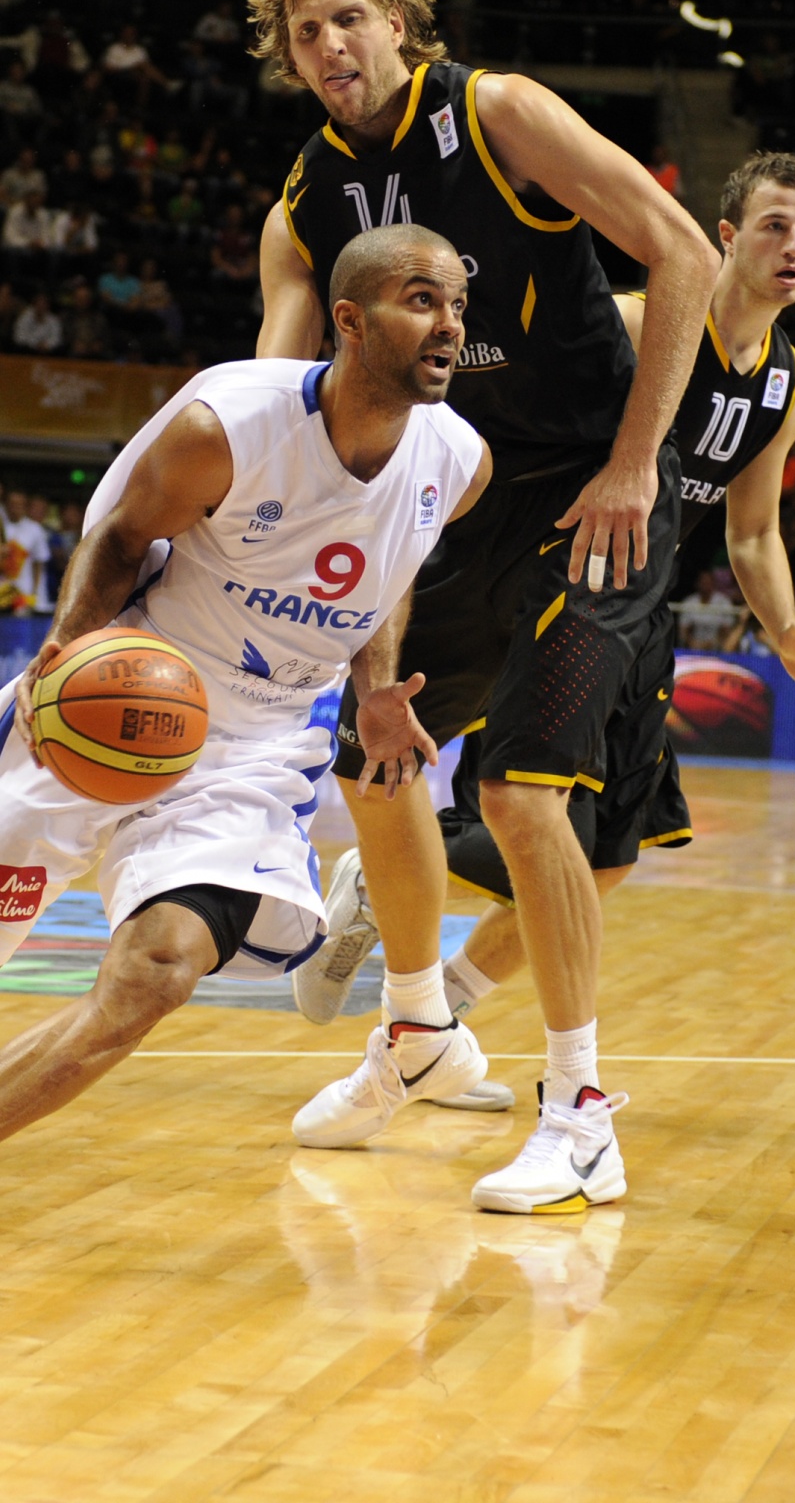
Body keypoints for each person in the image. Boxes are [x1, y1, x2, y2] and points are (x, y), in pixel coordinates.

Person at [251, 0, 719, 1212]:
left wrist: (636, 461)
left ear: (398, 22)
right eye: (306, 32)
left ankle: (578, 1115)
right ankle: (416, 1026)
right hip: (454, 498)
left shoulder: (498, 112)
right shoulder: (309, 200)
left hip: (596, 492)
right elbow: (282, 393)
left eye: (350, 16)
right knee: (374, 749)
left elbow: (684, 249)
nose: (332, 42)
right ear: (290, 60)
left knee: (530, 802)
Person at [0, 224, 491, 1146]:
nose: (450, 324)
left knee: (156, 974)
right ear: (349, 319)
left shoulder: (459, 463)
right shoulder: (227, 425)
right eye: (422, 300)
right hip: (126, 687)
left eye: (458, 304)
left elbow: (388, 571)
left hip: (253, 748)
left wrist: (375, 687)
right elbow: (119, 537)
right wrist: (67, 648)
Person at [329, 152, 795, 1030]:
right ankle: (392, 889)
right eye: (774, 226)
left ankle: (432, 1014)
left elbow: (751, 532)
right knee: (512, 802)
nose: (794, 247)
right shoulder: (637, 324)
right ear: (723, 239)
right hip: (546, 584)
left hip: (637, 606)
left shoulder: (788, 384)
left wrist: (785, 629)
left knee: (605, 859)